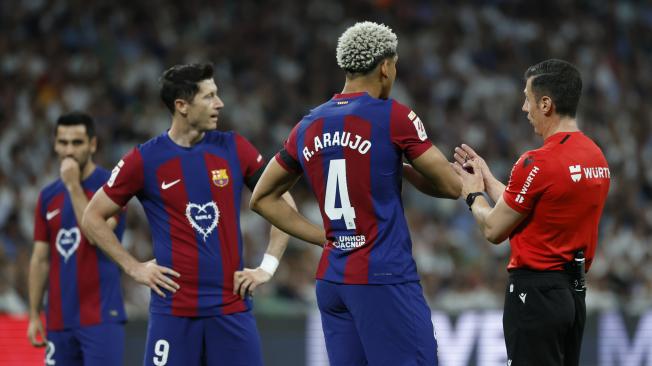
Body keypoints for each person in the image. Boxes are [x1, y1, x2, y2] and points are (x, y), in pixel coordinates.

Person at [246, 21, 461, 365]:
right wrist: (399, 165)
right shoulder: (395, 116)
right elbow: (451, 186)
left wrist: (323, 238)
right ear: (386, 67)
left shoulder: (308, 124)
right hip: (383, 277)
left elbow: (261, 198)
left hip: (333, 281)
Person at [82, 63, 294, 366]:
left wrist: (267, 267)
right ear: (182, 105)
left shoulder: (234, 147)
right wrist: (133, 267)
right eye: (209, 97)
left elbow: (283, 201)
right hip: (174, 315)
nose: (219, 104)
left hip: (231, 311)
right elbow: (92, 217)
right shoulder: (145, 159)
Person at [451, 59, 610, 366]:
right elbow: (533, 205)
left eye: (527, 98)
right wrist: (488, 180)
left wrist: (471, 193)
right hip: (573, 295)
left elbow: (494, 229)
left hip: (535, 296)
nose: (525, 108)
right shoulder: (595, 157)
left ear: (546, 103)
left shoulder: (538, 161)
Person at [28, 112, 127, 366]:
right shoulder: (48, 196)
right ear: (54, 144)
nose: (68, 150)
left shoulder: (111, 187)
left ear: (93, 145)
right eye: (63, 142)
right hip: (58, 322)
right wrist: (33, 313)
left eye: (77, 142)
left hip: (102, 318)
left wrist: (73, 186)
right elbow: (40, 259)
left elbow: (97, 236)